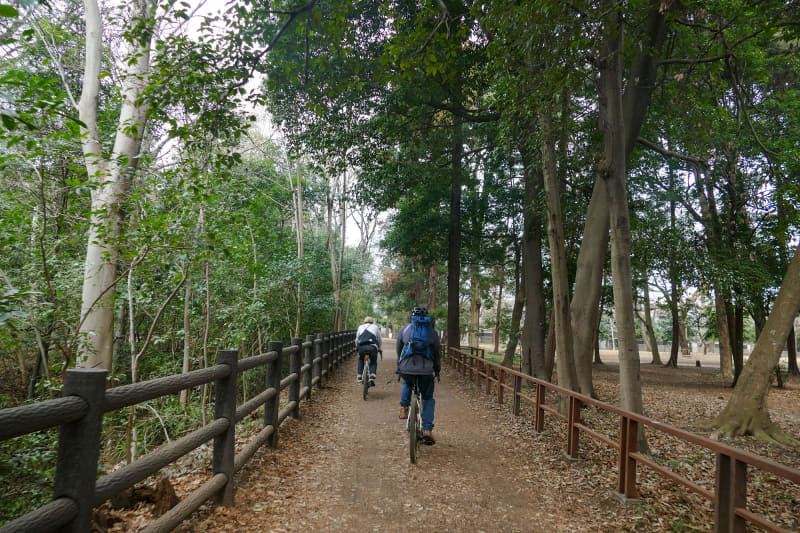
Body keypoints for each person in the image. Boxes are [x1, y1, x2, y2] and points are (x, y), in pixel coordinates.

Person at [396, 306, 441, 444]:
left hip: (407, 368)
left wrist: (400, 366)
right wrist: (437, 370)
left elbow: (399, 349)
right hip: (426, 370)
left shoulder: (404, 330)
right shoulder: (432, 332)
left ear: (412, 318)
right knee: (428, 398)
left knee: (408, 382)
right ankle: (427, 429)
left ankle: (404, 409)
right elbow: (437, 354)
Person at [356, 316, 382, 387]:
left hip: (362, 347)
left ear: (364, 321)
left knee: (361, 359)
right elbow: (379, 338)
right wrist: (379, 347)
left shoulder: (360, 327)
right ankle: (372, 376)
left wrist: (357, 347)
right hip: (372, 347)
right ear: (372, 321)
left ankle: (359, 375)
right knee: (373, 361)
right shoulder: (375, 327)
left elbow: (357, 339)